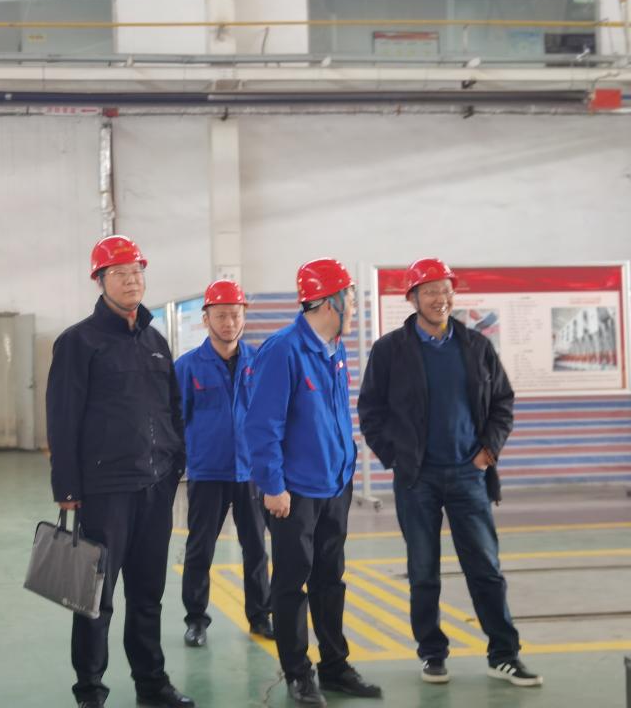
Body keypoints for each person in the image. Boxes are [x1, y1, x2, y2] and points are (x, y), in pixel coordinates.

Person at [357, 257, 542, 687]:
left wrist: (488, 451)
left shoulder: (476, 345)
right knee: (423, 572)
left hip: (468, 476)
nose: (439, 298)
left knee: (486, 569)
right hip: (416, 479)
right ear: (412, 298)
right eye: (429, 291)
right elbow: (371, 411)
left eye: (445, 290)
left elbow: (503, 402)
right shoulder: (389, 350)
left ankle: (504, 654)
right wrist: (397, 457)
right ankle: (432, 653)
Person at [46, 235, 194, 708]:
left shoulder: (155, 340)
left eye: (137, 272)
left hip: (156, 486)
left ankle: (152, 684)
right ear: (100, 280)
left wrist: (175, 462)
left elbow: (172, 407)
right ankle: (90, 691)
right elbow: (63, 418)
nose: (132, 280)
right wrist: (67, 487)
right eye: (120, 273)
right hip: (105, 489)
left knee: (148, 594)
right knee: (94, 598)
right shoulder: (78, 342)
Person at [244, 258, 382, 707]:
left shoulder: (334, 348)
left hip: (334, 485)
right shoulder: (282, 350)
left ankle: (335, 666)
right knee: (291, 583)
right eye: (351, 300)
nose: (355, 309)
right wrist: (273, 486)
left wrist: (347, 466)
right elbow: (262, 426)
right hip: (295, 492)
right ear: (327, 303)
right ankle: (298, 673)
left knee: (330, 579)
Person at [175, 279, 273, 648]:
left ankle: (260, 616)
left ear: (244, 316)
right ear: (206, 319)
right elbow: (175, 422)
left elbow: (270, 416)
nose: (229, 322)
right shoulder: (187, 367)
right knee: (200, 549)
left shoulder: (259, 363)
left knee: (256, 548)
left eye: (235, 314)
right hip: (207, 472)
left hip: (251, 472)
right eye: (221, 316)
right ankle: (196, 619)